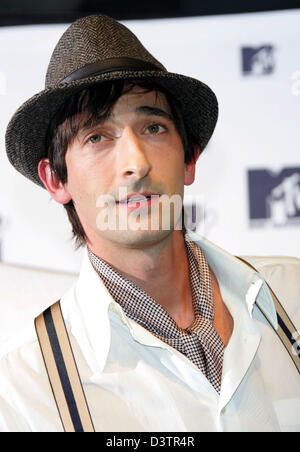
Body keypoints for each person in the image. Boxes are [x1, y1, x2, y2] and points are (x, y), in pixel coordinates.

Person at [1, 14, 300, 432]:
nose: (137, 164)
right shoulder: (23, 392)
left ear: (190, 158)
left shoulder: (292, 294)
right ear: (55, 179)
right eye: (97, 137)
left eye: (154, 128)